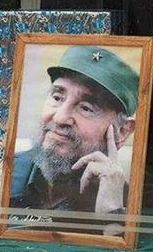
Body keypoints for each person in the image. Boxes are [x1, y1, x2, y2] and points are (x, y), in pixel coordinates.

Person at [9, 45, 138, 221]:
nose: (60, 118)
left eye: (86, 108)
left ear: (122, 131)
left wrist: (111, 216)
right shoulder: (4, 175)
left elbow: (117, 243)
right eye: (57, 98)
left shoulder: (126, 203)